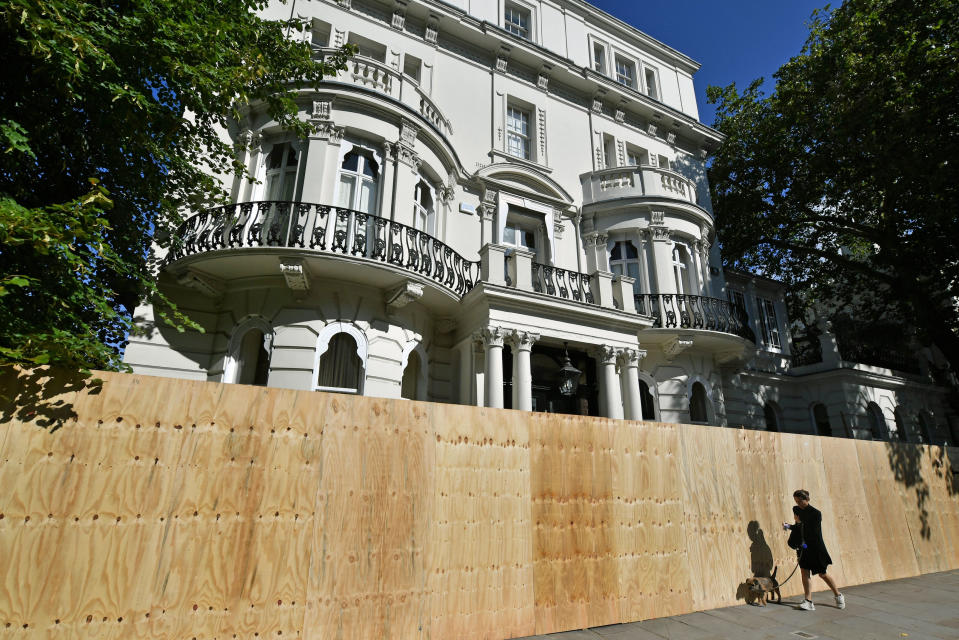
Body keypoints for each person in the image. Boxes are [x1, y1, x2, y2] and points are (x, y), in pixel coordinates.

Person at [784, 489, 845, 611]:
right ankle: (808, 601)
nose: (798, 504)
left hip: (816, 548)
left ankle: (838, 595)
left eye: (800, 501)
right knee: (804, 572)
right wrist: (789, 526)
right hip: (803, 548)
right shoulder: (797, 510)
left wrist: (800, 522)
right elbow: (798, 528)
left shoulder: (816, 514)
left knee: (822, 574)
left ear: (807, 499)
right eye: (796, 501)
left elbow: (814, 533)